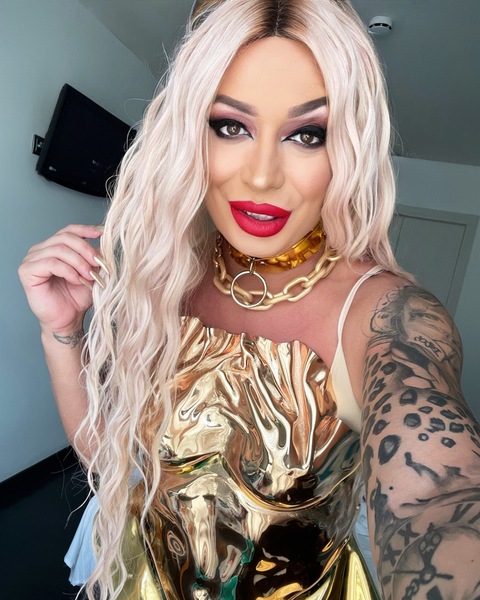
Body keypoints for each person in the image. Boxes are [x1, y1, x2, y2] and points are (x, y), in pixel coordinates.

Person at [18, 1, 480, 599]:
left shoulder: (384, 314)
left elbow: (438, 500)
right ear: (191, 132)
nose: (262, 176)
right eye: (230, 126)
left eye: (308, 134)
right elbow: (115, 464)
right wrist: (61, 333)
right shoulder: (168, 277)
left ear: (348, 149)